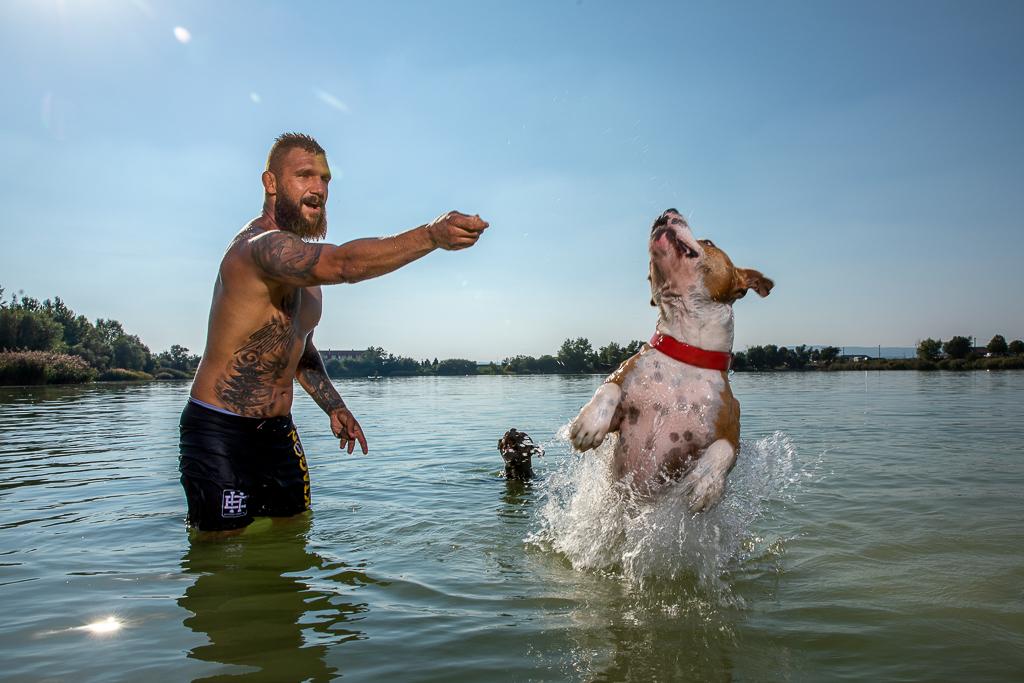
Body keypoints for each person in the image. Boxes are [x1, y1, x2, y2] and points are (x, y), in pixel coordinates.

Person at [179, 132, 488, 531]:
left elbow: (297, 347)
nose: (319, 189)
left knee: (293, 532)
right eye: (304, 176)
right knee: (222, 559)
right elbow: (343, 264)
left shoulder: (304, 272)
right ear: (271, 183)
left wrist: (334, 406)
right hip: (220, 429)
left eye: (325, 179)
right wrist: (431, 235)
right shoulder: (259, 248)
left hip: (277, 430)